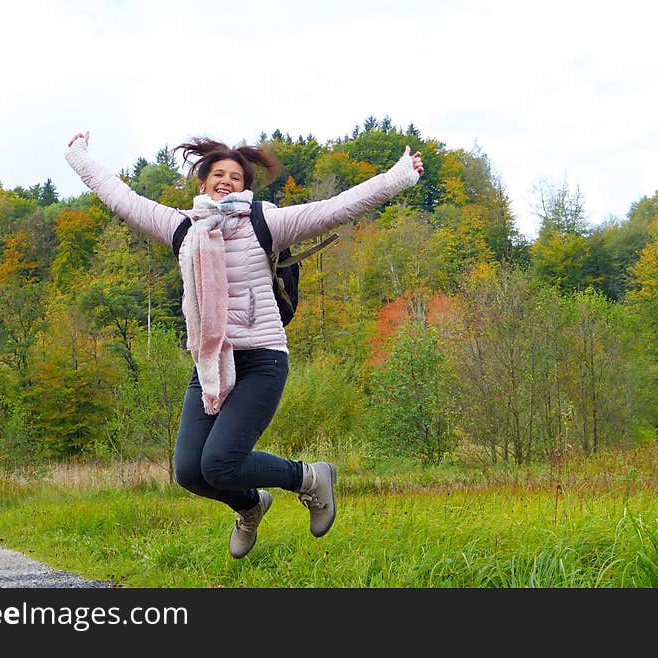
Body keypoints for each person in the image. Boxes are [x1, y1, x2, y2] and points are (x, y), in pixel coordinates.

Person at [65, 130, 424, 558]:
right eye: (218, 174)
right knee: (189, 471)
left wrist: (397, 177)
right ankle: (251, 506)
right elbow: (122, 198)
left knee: (220, 462)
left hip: (262, 359)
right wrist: (79, 158)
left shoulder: (265, 222)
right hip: (213, 364)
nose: (226, 182)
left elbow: (337, 208)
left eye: (236, 177)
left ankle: (310, 478)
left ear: (246, 187)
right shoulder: (183, 227)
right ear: (202, 184)